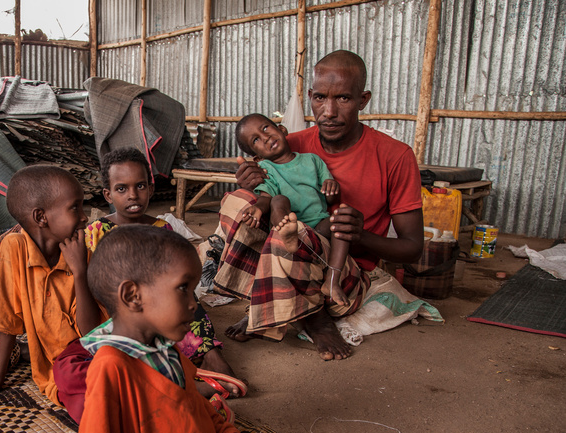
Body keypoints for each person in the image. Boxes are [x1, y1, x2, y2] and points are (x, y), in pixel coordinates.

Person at [79, 225, 385, 433]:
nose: (192, 302)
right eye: (184, 288)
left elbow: (176, 396)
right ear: (133, 296)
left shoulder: (158, 339)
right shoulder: (110, 365)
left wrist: (215, 396)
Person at [217, 50, 424, 360]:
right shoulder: (288, 145)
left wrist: (360, 234)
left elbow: (412, 248)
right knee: (239, 203)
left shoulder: (395, 155)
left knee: (293, 233)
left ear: (363, 99)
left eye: (343, 99)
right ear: (311, 96)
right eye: (319, 99)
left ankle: (314, 319)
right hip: (288, 250)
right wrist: (249, 186)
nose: (328, 111)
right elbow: (263, 195)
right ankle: (269, 304)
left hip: (342, 273)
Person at [86, 147, 245, 399]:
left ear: (151, 188)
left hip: (162, 301)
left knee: (188, 300)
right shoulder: (98, 230)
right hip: (125, 308)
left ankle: (212, 355)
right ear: (108, 194)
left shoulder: (162, 227)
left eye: (140, 186)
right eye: (121, 189)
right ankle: (193, 371)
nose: (132, 195)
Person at [0, 165, 106, 424]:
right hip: (61, 369)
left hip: (96, 353)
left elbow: (92, 334)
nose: (85, 217)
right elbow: (5, 320)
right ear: (41, 217)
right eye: (75, 207)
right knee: (88, 398)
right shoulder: (14, 248)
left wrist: (80, 272)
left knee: (122, 376)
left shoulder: (82, 254)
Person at [234, 113, 349, 306]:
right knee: (278, 199)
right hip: (293, 227)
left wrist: (331, 185)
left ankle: (332, 281)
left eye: (265, 129)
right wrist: (257, 209)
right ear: (257, 156)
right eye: (256, 140)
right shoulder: (265, 168)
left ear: (282, 130)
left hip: (319, 227)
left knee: (342, 222)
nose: (265, 138)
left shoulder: (312, 160)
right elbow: (266, 197)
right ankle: (285, 233)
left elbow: (331, 197)